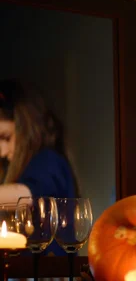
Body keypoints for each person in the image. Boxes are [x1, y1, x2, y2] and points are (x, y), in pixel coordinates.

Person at [0, 78, 79, 256]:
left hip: (49, 279)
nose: (2, 152)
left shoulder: (48, 160)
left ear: (26, 127)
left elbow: (25, 196)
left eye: (5, 137)